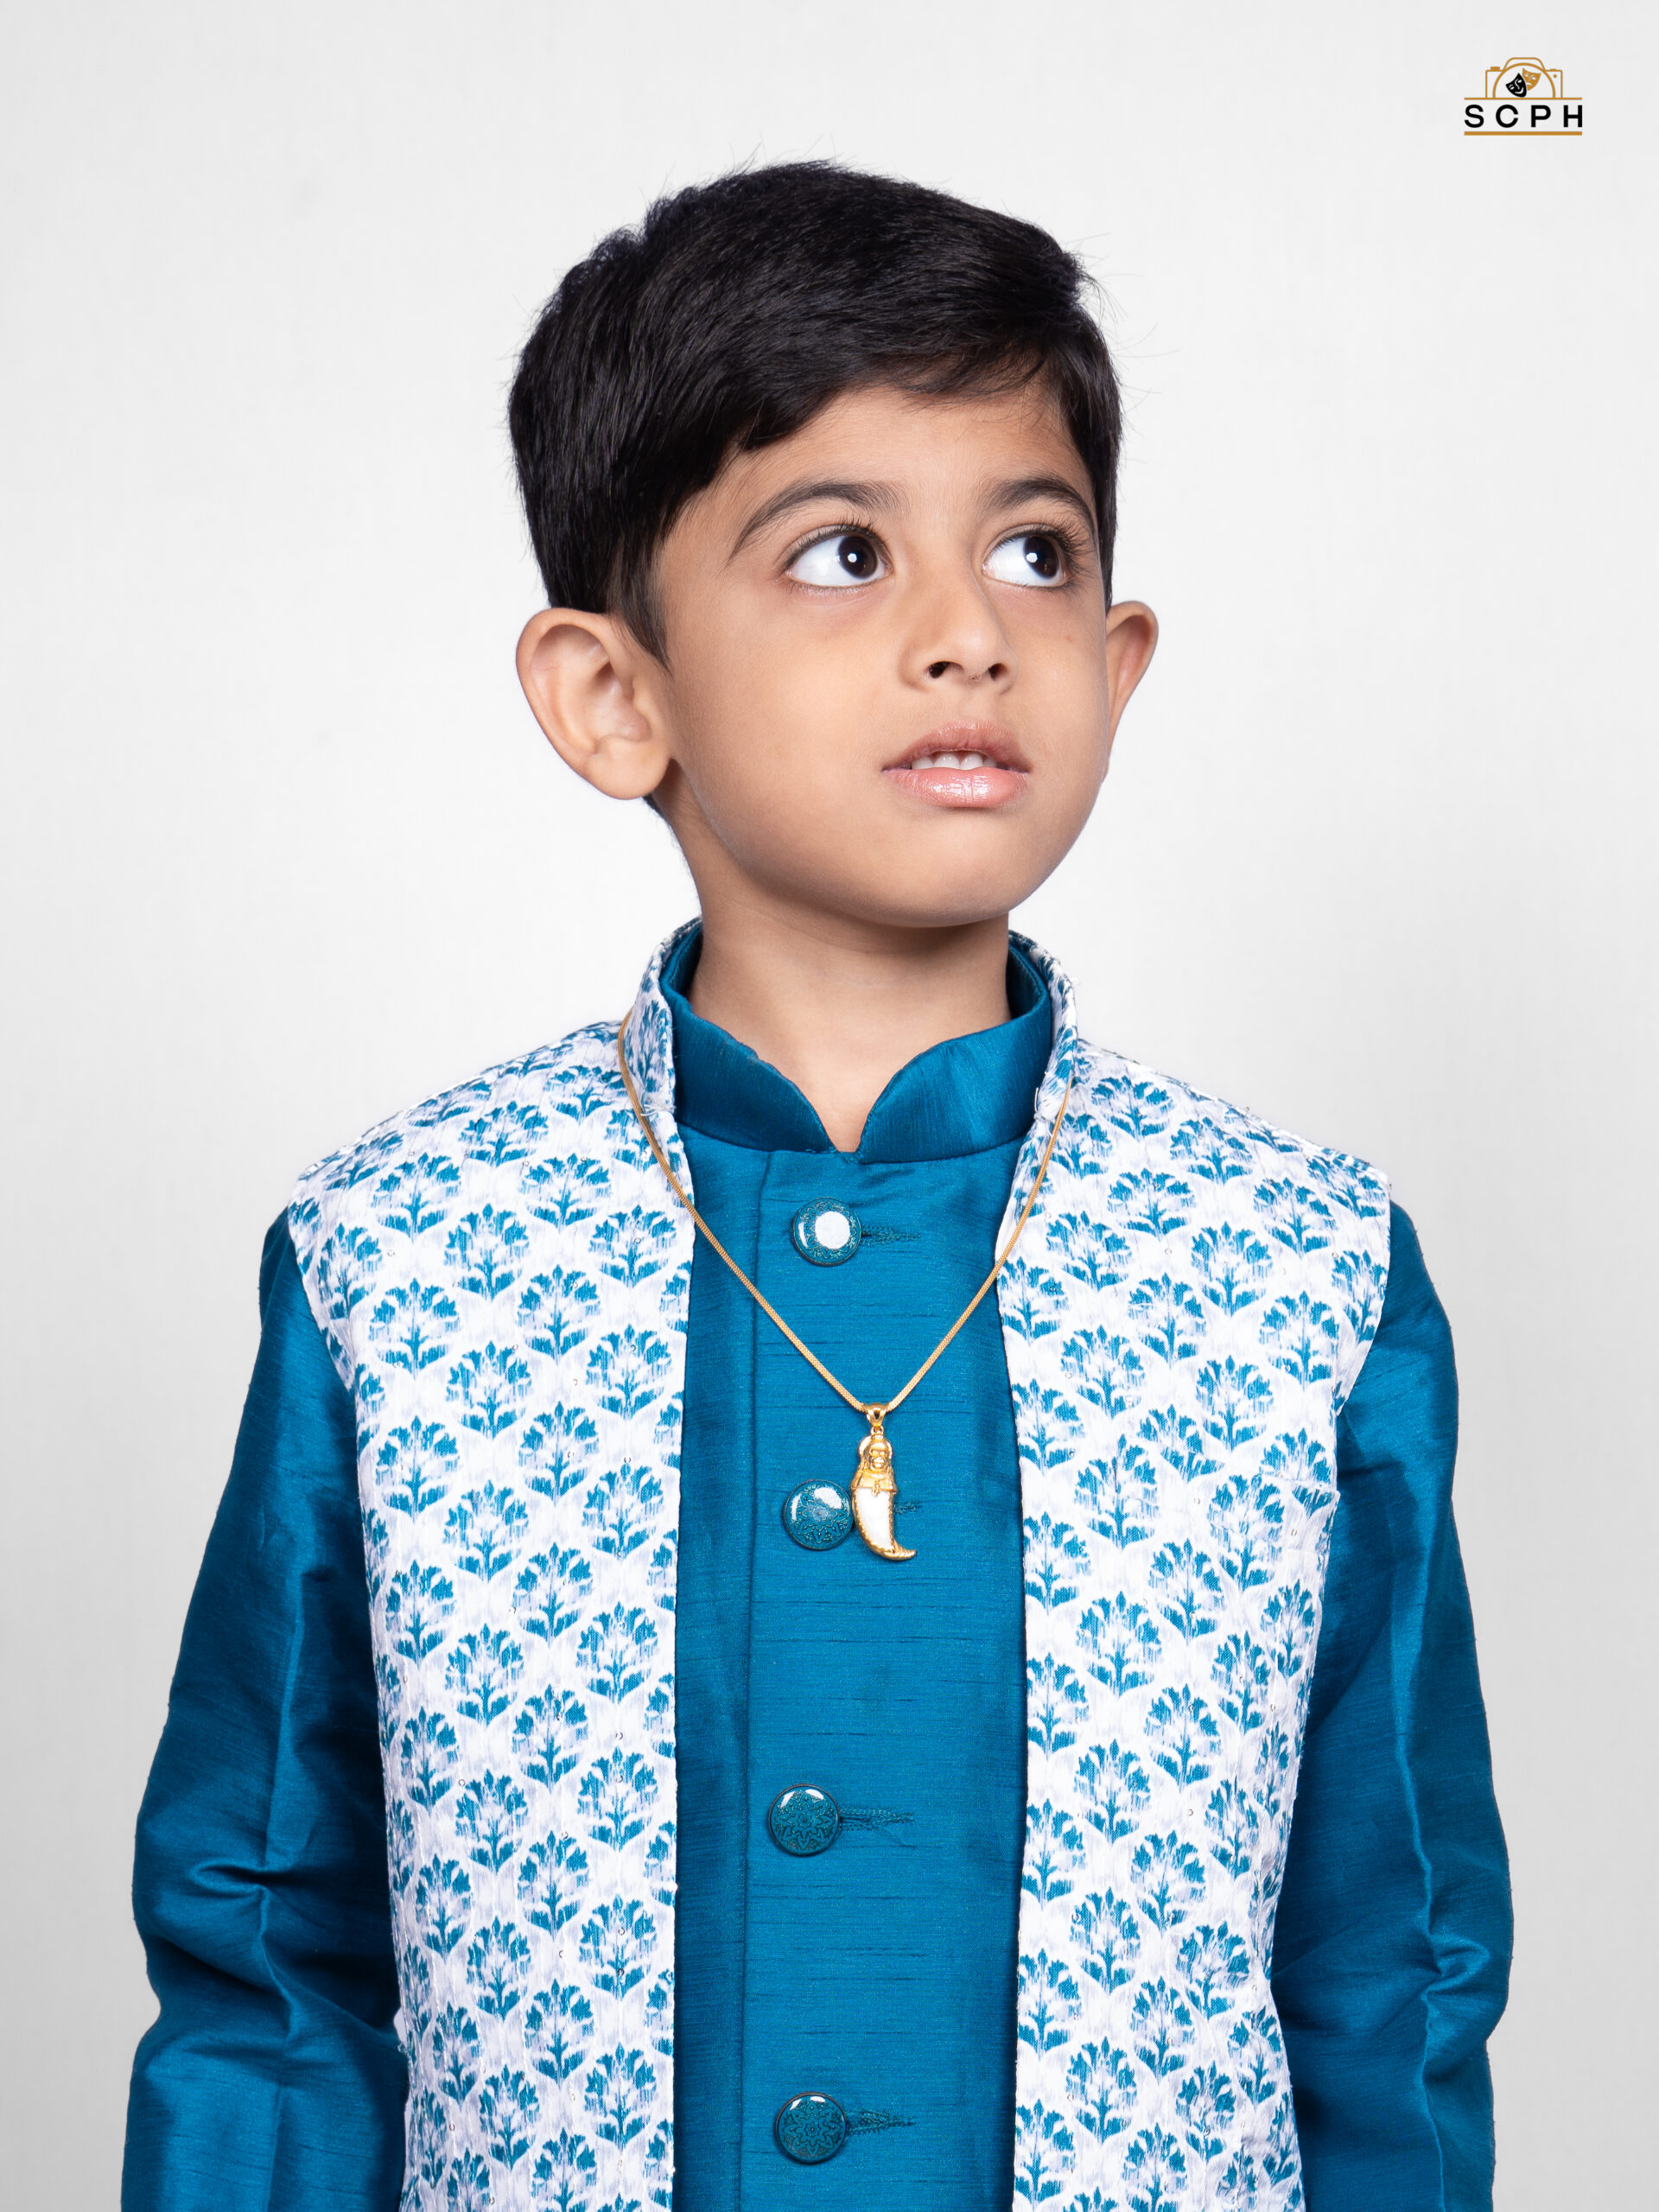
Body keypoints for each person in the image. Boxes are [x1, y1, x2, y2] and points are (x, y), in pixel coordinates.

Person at [122, 163, 1511, 2212]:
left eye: (1035, 551)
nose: (968, 635)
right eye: (845, 552)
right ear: (616, 695)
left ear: (1119, 660)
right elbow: (268, 1970)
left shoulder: (1298, 1270)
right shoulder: (398, 1261)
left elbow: (1393, 1972)